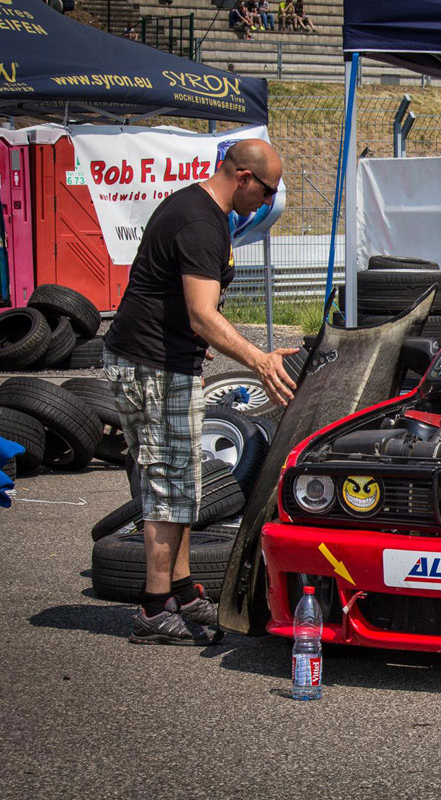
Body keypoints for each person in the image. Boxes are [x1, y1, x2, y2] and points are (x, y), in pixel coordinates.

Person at [103, 140, 297, 646]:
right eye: (268, 190)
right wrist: (260, 360)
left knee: (184, 482)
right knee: (168, 485)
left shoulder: (202, 211)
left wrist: (196, 341)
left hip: (165, 359)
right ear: (243, 177)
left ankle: (183, 592)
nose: (269, 201)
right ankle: (152, 610)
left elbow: (177, 304)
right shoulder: (200, 222)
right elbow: (202, 314)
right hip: (151, 366)